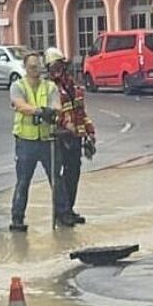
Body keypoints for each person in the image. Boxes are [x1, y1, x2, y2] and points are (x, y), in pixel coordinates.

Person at [8, 51, 62, 232]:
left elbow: (57, 107)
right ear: (25, 67)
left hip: (47, 140)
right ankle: (17, 218)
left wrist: (51, 112)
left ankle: (63, 213)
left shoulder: (50, 86)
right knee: (23, 181)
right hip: (26, 141)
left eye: (37, 66)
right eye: (31, 66)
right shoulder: (18, 86)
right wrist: (40, 111)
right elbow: (20, 105)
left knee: (56, 179)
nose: (35, 70)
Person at [45, 47, 96, 227]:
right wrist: (64, 127)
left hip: (75, 137)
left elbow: (81, 112)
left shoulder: (74, 86)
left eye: (58, 66)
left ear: (64, 66)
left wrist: (90, 132)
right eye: (52, 67)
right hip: (59, 137)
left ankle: (69, 209)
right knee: (59, 177)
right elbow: (51, 114)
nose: (56, 70)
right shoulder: (49, 88)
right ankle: (62, 212)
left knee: (73, 174)